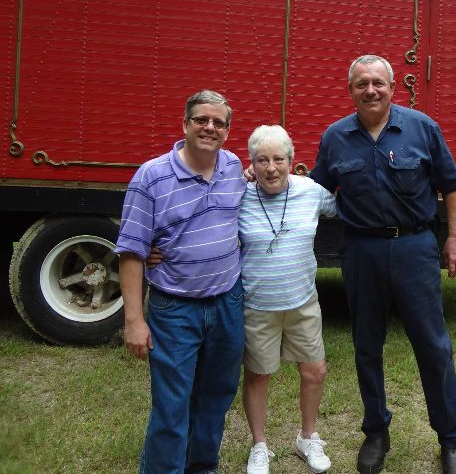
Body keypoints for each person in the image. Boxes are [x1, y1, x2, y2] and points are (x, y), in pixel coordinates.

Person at [309, 54, 456, 474]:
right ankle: (376, 432)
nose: (370, 90)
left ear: (392, 87)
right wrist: (261, 182)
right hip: (362, 251)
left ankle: (451, 439)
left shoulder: (422, 128)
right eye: (361, 83)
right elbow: (314, 191)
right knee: (367, 345)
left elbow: (452, 186)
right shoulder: (336, 137)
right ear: (351, 90)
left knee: (433, 345)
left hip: (414, 247)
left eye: (377, 83)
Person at [116, 90, 246, 474]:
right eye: (201, 120)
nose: (209, 128)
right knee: (172, 406)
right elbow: (131, 251)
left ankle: (202, 467)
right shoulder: (151, 176)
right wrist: (134, 320)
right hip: (175, 308)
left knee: (216, 399)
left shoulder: (234, 167)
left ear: (227, 131)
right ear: (185, 124)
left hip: (227, 303)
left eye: (218, 122)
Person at [239, 125, 336, 474]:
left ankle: (307, 438)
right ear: (251, 164)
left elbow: (349, 207)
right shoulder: (238, 195)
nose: (271, 168)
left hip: (302, 302)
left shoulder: (310, 191)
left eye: (278, 159)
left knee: (315, 371)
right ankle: (259, 446)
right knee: (258, 375)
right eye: (262, 160)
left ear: (292, 162)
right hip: (257, 305)